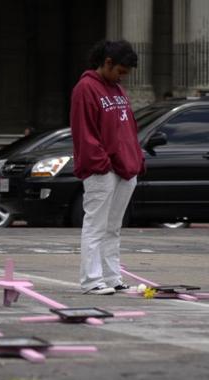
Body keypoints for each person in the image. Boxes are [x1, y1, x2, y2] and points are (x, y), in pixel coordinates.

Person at [70, 40, 144, 295]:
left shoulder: (117, 89)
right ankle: (91, 280)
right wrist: (101, 165)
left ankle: (112, 278)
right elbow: (84, 131)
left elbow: (128, 128)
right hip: (102, 170)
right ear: (108, 63)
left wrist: (135, 159)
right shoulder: (86, 88)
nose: (122, 78)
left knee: (113, 227)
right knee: (95, 226)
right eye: (121, 72)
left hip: (124, 168)